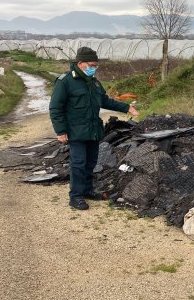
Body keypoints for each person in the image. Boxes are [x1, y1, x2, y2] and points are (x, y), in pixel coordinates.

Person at [49, 46, 139, 210]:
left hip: (93, 130)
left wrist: (126, 108)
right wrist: (60, 131)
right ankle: (76, 196)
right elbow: (56, 108)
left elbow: (105, 101)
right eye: (92, 65)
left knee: (91, 162)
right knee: (78, 163)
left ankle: (88, 190)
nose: (94, 68)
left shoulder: (94, 82)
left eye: (96, 66)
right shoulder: (66, 81)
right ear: (81, 63)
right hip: (75, 131)